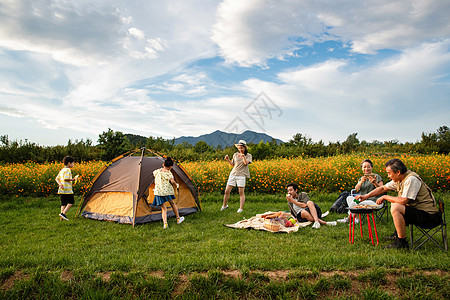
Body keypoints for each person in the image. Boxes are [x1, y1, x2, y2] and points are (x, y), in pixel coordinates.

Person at [355, 158, 441, 249]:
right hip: (419, 212)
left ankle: (402, 243)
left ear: (398, 172)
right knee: (396, 205)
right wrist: (365, 196)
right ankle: (397, 235)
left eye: (389, 173)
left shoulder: (411, 179)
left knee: (396, 206)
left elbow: (404, 201)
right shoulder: (400, 178)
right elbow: (383, 188)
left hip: (430, 217)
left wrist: (385, 197)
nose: (388, 176)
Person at [338, 159, 384, 223]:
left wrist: (375, 183)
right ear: (362, 169)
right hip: (362, 200)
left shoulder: (377, 177)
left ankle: (350, 218)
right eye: (364, 167)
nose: (366, 168)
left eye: (368, 166)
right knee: (349, 198)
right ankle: (357, 218)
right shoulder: (361, 178)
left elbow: (382, 189)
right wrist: (361, 182)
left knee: (356, 202)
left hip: (375, 201)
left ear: (371, 167)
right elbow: (356, 189)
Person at [152, 157, 185, 229]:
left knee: (164, 208)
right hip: (167, 192)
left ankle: (165, 224)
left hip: (158, 192)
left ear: (163, 165)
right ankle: (178, 219)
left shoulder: (157, 171)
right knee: (173, 204)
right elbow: (172, 181)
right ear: (171, 167)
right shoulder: (169, 173)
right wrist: (176, 184)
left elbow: (154, 176)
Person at [220, 140, 252, 213]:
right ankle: (224, 206)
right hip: (233, 174)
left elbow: (245, 163)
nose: (240, 149)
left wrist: (243, 157)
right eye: (239, 148)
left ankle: (240, 208)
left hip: (241, 175)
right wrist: (228, 160)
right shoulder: (235, 154)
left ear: (245, 148)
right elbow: (233, 165)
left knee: (241, 193)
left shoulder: (248, 155)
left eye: (242, 148)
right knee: (227, 191)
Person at [55, 156, 78, 221]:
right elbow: (66, 179)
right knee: (71, 202)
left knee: (63, 203)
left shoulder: (62, 170)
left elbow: (56, 178)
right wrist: (73, 179)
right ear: (69, 163)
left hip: (62, 190)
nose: (73, 165)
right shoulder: (68, 170)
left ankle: (62, 217)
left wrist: (60, 184)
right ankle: (63, 213)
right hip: (67, 190)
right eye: (73, 163)